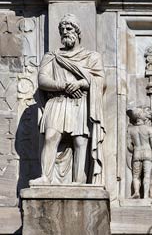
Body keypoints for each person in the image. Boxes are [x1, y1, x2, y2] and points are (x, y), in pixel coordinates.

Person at [31, 13, 105, 184]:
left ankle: (79, 180)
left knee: (80, 142)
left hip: (80, 103)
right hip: (57, 101)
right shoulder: (52, 56)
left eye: (69, 28)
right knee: (50, 137)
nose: (65, 31)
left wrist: (79, 84)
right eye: (62, 29)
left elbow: (100, 81)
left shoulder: (91, 57)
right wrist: (64, 85)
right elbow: (42, 80)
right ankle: (45, 177)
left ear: (77, 31)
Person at [127, 107, 152, 199]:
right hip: (147, 152)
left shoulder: (130, 130)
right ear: (141, 116)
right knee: (147, 175)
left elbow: (129, 146)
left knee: (136, 176)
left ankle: (136, 192)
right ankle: (146, 195)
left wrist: (135, 148)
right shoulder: (149, 129)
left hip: (137, 153)